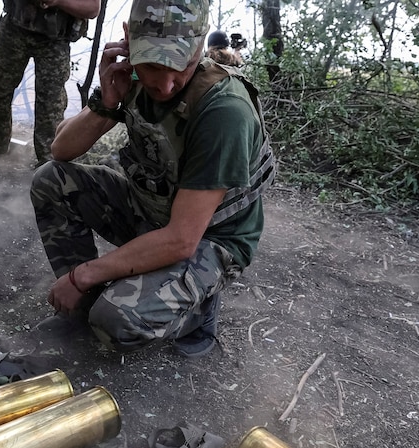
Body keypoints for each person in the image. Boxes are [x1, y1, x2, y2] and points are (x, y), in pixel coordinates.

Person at [30, 0, 275, 358]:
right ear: (129, 39)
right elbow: (61, 151)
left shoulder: (224, 110)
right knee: (50, 180)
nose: (165, 84)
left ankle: (197, 312)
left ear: (200, 43)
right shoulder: (127, 76)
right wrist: (106, 103)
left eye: (182, 64)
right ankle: (86, 305)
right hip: (151, 211)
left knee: (116, 320)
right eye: (151, 65)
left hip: (210, 237)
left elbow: (181, 240)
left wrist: (82, 275)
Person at [0, 0, 100, 165]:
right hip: (14, 29)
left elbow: (92, 8)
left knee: (50, 103)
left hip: (54, 40)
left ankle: (48, 161)